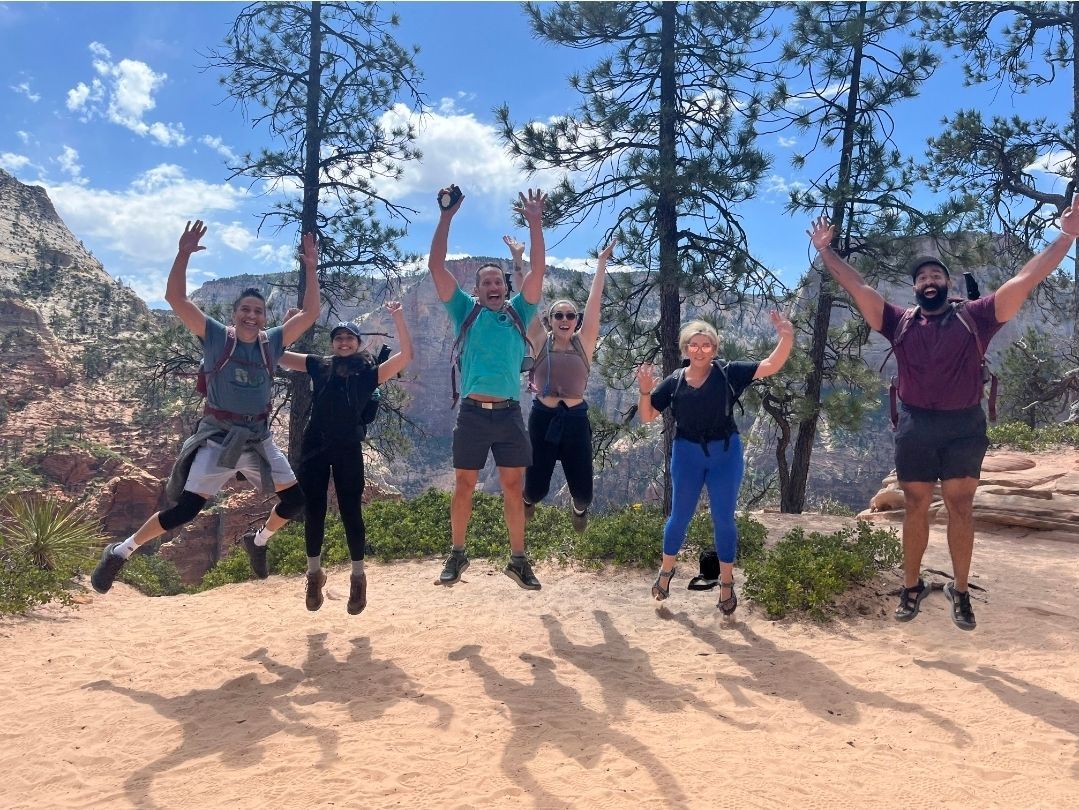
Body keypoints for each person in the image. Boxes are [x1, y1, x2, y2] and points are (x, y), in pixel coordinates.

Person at [808, 204, 1079, 630]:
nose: (929, 281)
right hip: (915, 425)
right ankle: (911, 586)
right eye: (922, 277)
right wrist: (826, 252)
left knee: (961, 508)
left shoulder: (977, 316)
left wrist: (1065, 237)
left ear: (947, 284)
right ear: (914, 287)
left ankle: (962, 590)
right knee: (915, 505)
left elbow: (1025, 280)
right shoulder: (897, 321)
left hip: (964, 427)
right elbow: (857, 285)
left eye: (936, 276)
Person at [91, 220, 322, 593]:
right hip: (218, 438)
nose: (251, 316)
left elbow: (310, 312)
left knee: (295, 501)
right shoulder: (216, 336)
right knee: (185, 511)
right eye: (245, 309)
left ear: (266, 317)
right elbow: (176, 300)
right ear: (234, 314)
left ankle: (258, 540)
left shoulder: (272, 342)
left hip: (258, 438)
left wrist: (310, 266)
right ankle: (120, 552)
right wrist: (183, 254)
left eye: (258, 311)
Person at [428, 185, 548, 590]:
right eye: (486, 282)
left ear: (506, 287)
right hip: (474, 414)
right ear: (476, 290)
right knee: (464, 485)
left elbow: (538, 272)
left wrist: (535, 224)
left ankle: (518, 560)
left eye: (498, 280)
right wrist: (447, 217)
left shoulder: (520, 311)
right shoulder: (464, 310)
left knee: (514, 488)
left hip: (511, 414)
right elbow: (436, 267)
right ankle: (457, 554)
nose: (493, 285)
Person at [636, 313, 794, 613]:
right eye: (693, 345)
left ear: (715, 349)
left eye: (706, 345)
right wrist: (645, 390)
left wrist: (786, 337)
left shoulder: (728, 373)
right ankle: (666, 573)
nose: (699, 350)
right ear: (685, 349)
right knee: (679, 517)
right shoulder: (675, 381)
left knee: (724, 518)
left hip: (725, 454)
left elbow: (771, 366)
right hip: (687, 454)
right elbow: (647, 416)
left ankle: (725, 584)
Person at [277, 301, 413, 615]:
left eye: (349, 338)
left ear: (358, 343)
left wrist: (398, 317)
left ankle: (358, 578)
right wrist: (287, 325)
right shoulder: (318, 364)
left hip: (347, 448)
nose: (343, 342)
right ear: (332, 343)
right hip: (315, 448)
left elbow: (406, 356)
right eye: (338, 338)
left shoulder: (369, 373)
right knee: (314, 511)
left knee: (352, 512)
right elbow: (279, 355)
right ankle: (314, 575)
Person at [509, 237, 615, 533]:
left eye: (570, 315)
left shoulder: (585, 343)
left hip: (576, 421)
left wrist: (602, 263)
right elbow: (524, 301)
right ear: (551, 320)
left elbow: (595, 302)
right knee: (536, 489)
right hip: (542, 420)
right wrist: (518, 260)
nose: (565, 319)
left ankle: (578, 509)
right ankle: (528, 501)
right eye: (559, 315)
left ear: (576, 320)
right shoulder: (540, 341)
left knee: (584, 493)